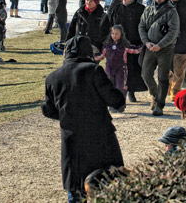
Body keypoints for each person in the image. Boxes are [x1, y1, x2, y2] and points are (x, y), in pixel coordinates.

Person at [42, 37, 125, 203]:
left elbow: (49, 110)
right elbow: (115, 100)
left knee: (75, 186)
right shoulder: (93, 70)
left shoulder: (52, 77)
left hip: (72, 137)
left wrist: (68, 115)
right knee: (108, 182)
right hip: (100, 136)